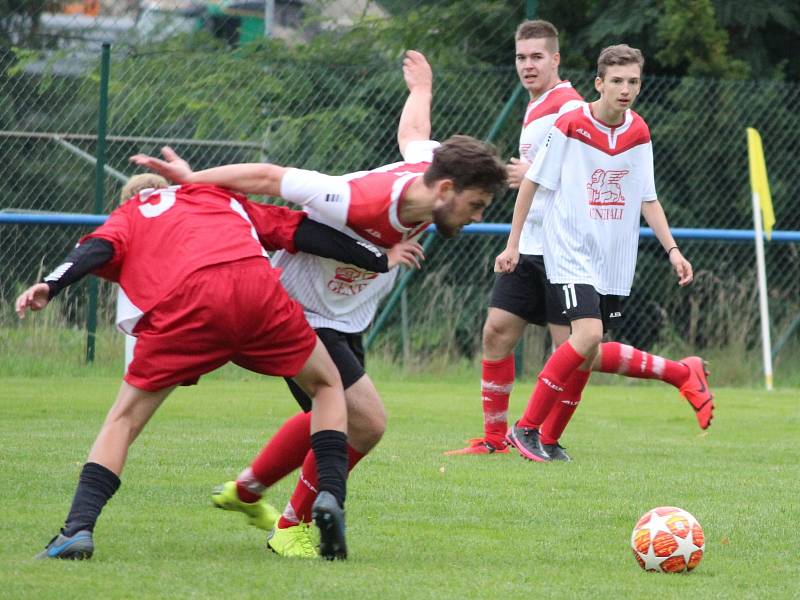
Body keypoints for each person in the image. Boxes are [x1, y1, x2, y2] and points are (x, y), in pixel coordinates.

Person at [131, 50, 507, 557]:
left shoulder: (428, 170)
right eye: (476, 205)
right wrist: (193, 181)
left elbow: (415, 134)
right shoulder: (352, 198)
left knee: (331, 416)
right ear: (446, 190)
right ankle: (291, 528)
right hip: (298, 310)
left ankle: (246, 491)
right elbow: (269, 176)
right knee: (367, 422)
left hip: (348, 311)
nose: (476, 216)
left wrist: (422, 89)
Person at [16, 178, 426, 561]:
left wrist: (50, 286)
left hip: (188, 305)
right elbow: (301, 232)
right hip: (256, 292)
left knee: (123, 420)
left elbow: (94, 251)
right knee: (326, 385)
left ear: (130, 199)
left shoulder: (130, 213)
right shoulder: (216, 197)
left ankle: (77, 529)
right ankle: (330, 495)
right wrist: (378, 257)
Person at [444, 22, 713, 459]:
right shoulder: (540, 107)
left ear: (556, 60)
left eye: (536, 57)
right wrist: (514, 235)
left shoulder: (569, 106)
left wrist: (673, 249)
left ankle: (540, 434)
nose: (527, 65)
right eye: (520, 57)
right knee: (502, 332)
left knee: (580, 346)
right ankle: (502, 439)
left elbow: (640, 193)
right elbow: (537, 177)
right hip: (535, 243)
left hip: (564, 247)